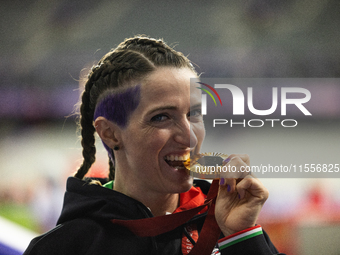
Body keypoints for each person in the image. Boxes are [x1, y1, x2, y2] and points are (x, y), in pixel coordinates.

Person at [24, 36, 284, 255]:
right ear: (111, 133)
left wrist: (242, 237)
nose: (190, 137)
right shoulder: (67, 247)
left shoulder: (227, 225)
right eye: (161, 117)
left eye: (194, 114)